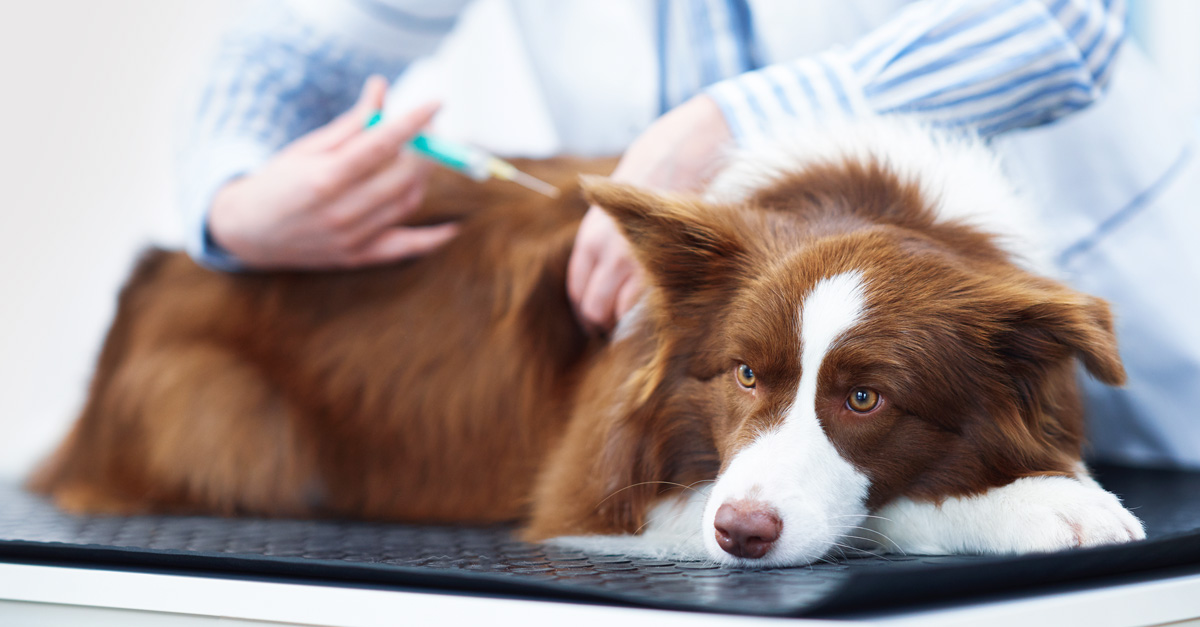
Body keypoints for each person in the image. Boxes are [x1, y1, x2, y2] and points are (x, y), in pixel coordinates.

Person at [179, 0, 1200, 469]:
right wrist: (233, 204)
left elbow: (1062, 23)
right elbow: (280, 57)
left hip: (1145, 365)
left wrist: (727, 126)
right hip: (815, 422)